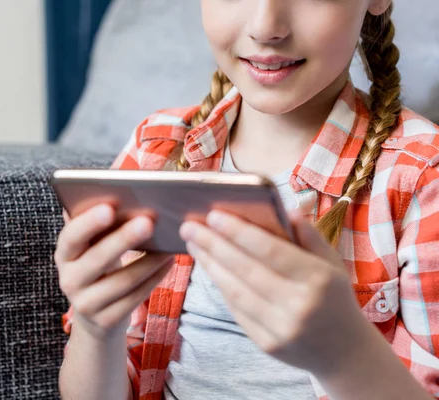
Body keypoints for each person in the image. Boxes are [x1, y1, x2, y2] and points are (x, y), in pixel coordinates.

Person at [56, 1, 439, 399]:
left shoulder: (421, 178)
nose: (265, 27)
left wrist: (346, 353)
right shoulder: (154, 150)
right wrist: (95, 328)